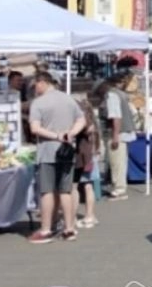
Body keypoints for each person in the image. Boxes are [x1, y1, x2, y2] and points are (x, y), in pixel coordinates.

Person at [29, 72, 85, 244]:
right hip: (67, 150)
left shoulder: (38, 103)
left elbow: (35, 128)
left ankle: (46, 229)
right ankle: (69, 228)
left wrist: (56, 135)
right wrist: (71, 133)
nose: (34, 88)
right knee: (65, 191)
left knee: (47, 191)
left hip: (48, 151)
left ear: (42, 82)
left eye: (35, 84)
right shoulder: (68, 99)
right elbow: (81, 120)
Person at [103, 73, 136, 201]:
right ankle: (119, 187)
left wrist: (115, 135)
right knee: (120, 161)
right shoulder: (122, 95)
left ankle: (119, 189)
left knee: (117, 162)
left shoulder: (112, 95)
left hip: (118, 132)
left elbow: (115, 116)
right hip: (125, 131)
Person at [74, 98, 101, 230]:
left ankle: (72, 217)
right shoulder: (93, 123)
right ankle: (90, 215)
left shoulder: (81, 124)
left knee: (74, 187)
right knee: (88, 186)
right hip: (92, 155)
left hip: (83, 157)